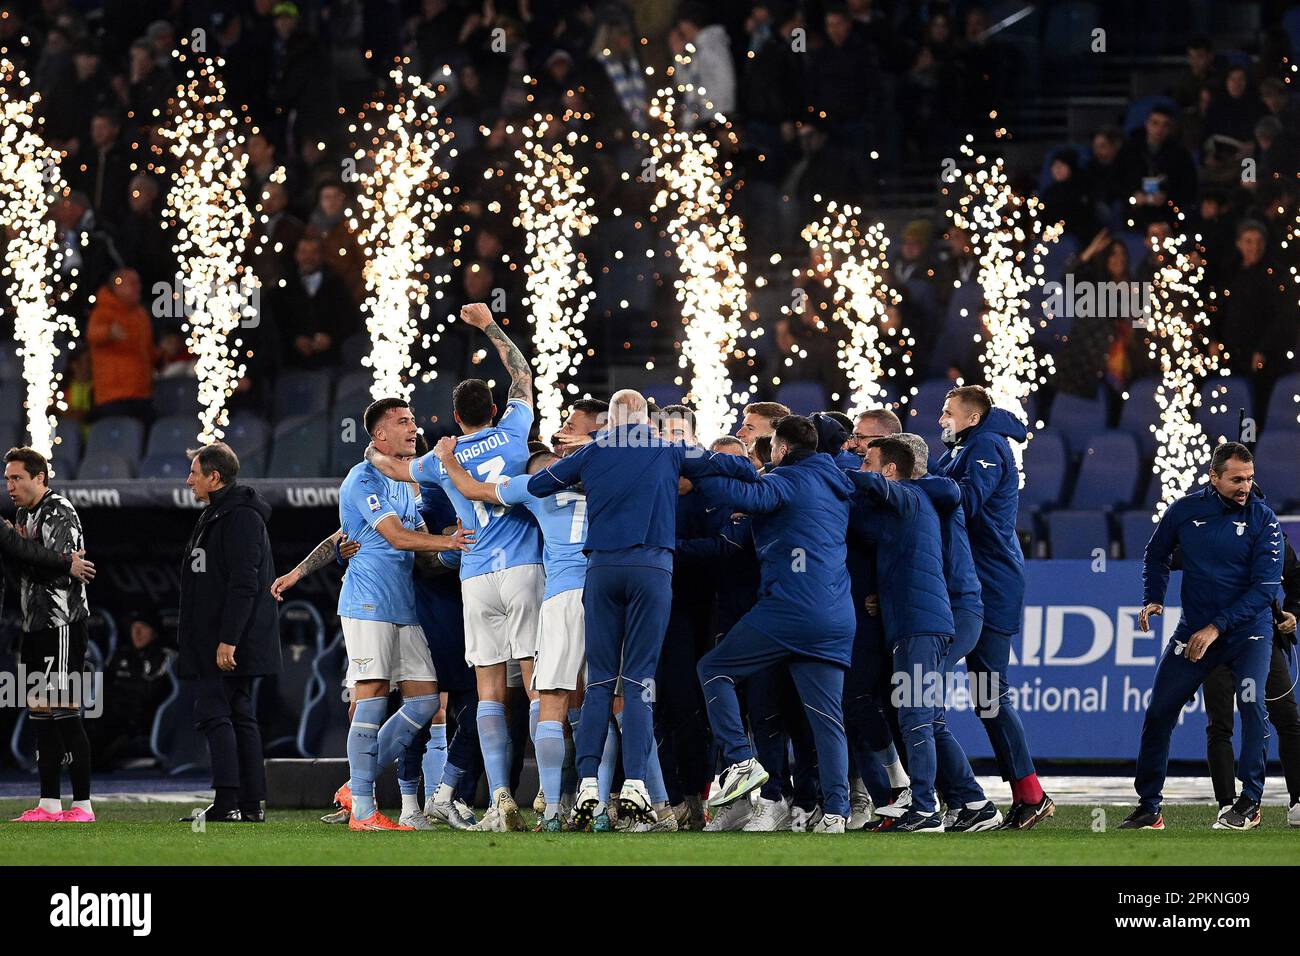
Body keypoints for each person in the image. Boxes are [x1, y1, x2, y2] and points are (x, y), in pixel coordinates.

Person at [525, 389, 759, 827]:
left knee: (598, 682)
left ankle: (589, 784)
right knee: (637, 681)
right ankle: (635, 783)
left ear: (610, 421)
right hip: (652, 570)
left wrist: (581, 462)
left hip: (602, 569)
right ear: (646, 421)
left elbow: (539, 483)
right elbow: (737, 465)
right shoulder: (670, 451)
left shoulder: (593, 452)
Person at [366, 303, 543, 833]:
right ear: (494, 407)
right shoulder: (514, 431)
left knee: (487, 691)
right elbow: (523, 373)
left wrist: (421, 456)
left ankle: (500, 800)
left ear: (454, 416)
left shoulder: (439, 459)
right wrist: (489, 325)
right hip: (524, 568)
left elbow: (392, 464)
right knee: (537, 688)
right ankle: (552, 801)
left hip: (474, 574)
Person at [692, 414, 854, 832]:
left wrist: (703, 464)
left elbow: (737, 494)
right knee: (827, 719)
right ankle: (836, 812)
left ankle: (741, 762)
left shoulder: (788, 481)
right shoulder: (838, 482)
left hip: (788, 609)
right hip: (835, 615)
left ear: (781, 449)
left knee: (713, 668)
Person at [432, 437, 592, 832]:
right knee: (584, 697)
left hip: (491, 583)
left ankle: (501, 794)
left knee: (497, 695)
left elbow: (468, 490)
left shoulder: (528, 492)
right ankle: (582, 796)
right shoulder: (597, 484)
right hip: (560, 591)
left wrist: (446, 460)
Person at [1123, 442, 1283, 830]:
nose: (1245, 486)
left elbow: (1264, 590)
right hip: (1194, 632)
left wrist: (1216, 627)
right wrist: (1152, 599)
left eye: (1249, 478)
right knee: (1159, 710)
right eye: (1236, 479)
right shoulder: (1185, 510)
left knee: (1251, 705)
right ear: (1213, 477)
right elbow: (1156, 554)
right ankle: (1149, 807)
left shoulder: (1264, 520)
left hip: (1248, 635)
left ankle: (1249, 802)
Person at [334, 400, 473, 831]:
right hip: (369, 605)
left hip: (405, 607)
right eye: (402, 422)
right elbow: (395, 536)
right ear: (379, 437)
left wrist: (446, 535)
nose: (413, 426)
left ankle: (357, 783)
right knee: (372, 694)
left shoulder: (406, 483)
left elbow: (406, 533)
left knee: (427, 699)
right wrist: (448, 544)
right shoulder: (362, 478)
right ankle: (362, 808)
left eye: (413, 419)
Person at [933, 385, 1055, 829]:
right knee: (985, 697)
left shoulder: (985, 445)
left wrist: (918, 487)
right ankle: (1024, 794)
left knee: (976, 693)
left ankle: (990, 796)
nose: (941, 420)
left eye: (948, 413)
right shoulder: (968, 447)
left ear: (971, 416)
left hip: (989, 584)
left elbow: (965, 502)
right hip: (973, 581)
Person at [176, 442, 281, 824]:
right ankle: (250, 804)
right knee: (238, 714)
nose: (189, 480)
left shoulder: (240, 517)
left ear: (214, 477)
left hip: (228, 640)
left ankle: (228, 801)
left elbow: (244, 582)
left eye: (194, 473)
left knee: (215, 712)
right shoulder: (219, 513)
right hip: (218, 636)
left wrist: (229, 638)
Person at [4, 448, 97, 823]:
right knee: (40, 713)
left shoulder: (60, 511)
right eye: (7, 479)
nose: (10, 486)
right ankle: (48, 803)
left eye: (17, 478)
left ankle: (84, 806)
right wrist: (23, 550)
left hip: (62, 623)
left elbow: (63, 573)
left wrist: (23, 549)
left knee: (65, 711)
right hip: (34, 624)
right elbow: (26, 571)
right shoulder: (24, 514)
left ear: (39, 477)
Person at [1203, 536, 1300, 826]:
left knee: (1286, 718)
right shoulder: (1204, 532)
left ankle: (1297, 800)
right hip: (1214, 638)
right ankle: (1228, 803)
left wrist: (1293, 611)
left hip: (1262, 639)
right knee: (1220, 722)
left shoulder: (1272, 536)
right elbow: (1171, 558)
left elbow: (1296, 576)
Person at [86, 268, 155, 423]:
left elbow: (147, 350)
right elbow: (92, 334)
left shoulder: (141, 315)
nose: (138, 287)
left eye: (138, 283)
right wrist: (108, 332)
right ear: (118, 286)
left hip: (141, 394)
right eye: (132, 283)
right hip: (114, 397)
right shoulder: (103, 311)